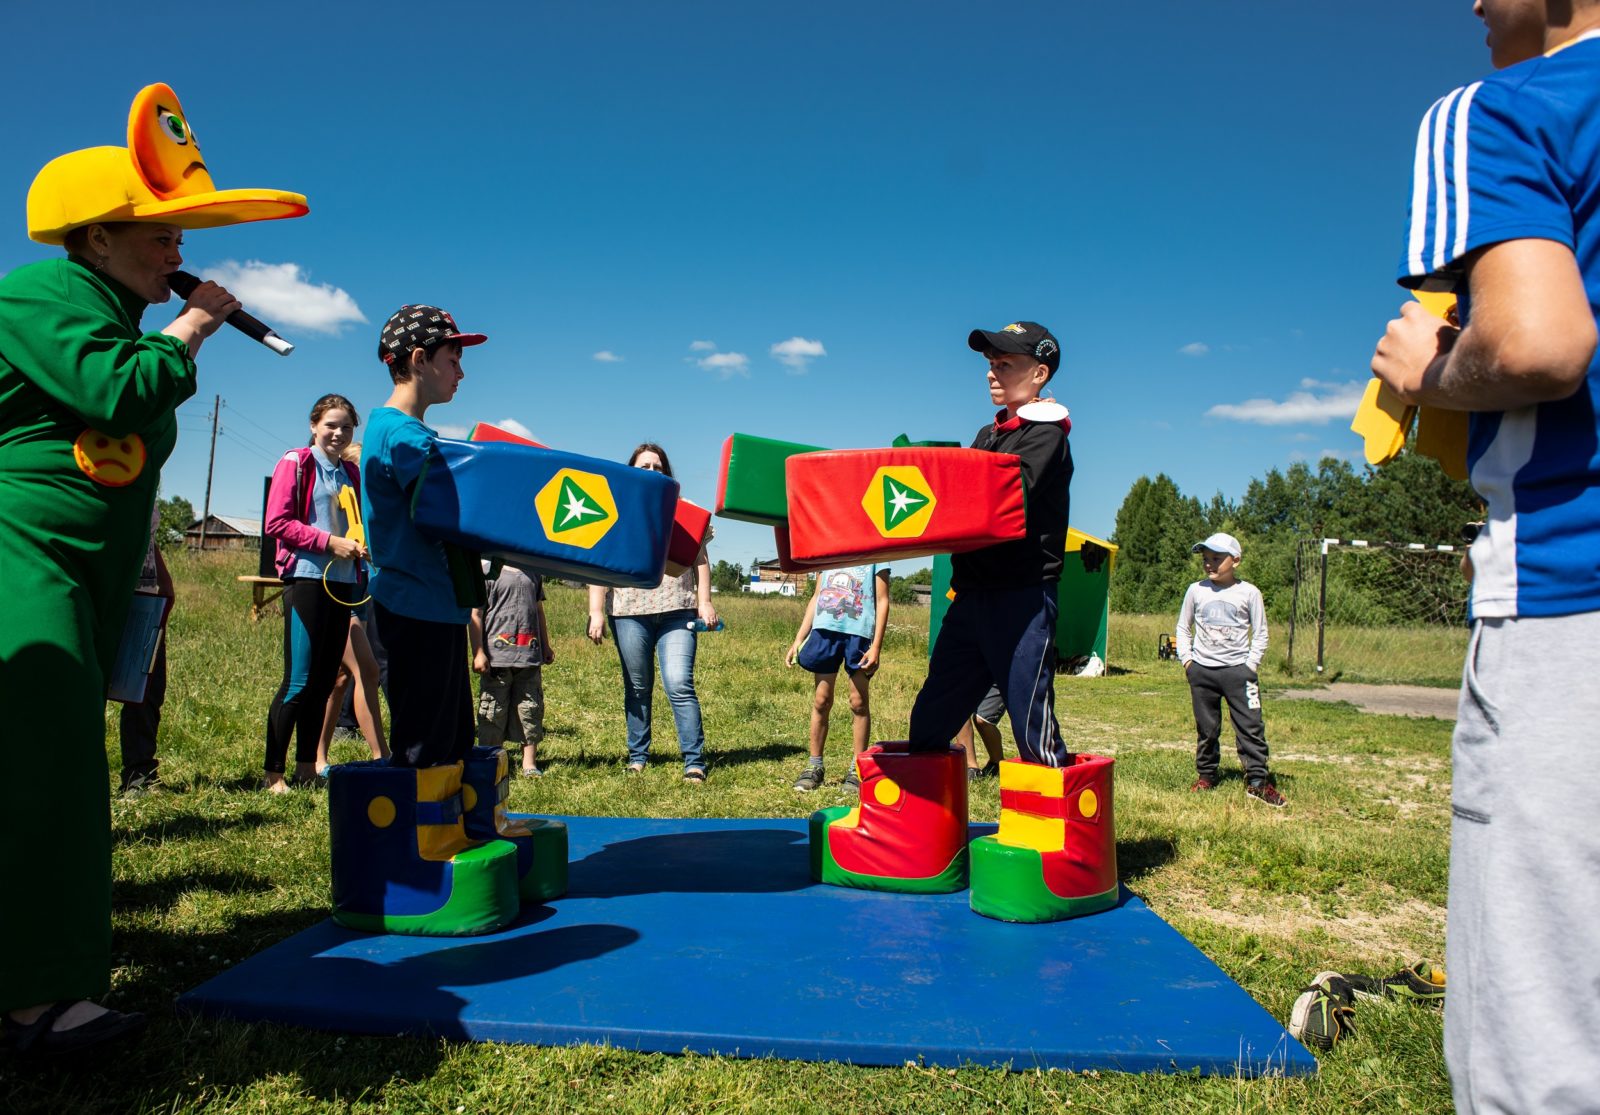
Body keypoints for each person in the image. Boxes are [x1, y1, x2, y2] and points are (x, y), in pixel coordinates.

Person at [1, 77, 305, 1051]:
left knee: (51, 768)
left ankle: (41, 972)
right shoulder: (43, 291)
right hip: (19, 559)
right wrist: (197, 324)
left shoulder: (107, 311)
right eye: (162, 237)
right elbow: (115, 393)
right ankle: (36, 999)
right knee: (42, 768)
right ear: (96, 236)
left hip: (79, 574)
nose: (181, 257)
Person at [1369, 4, 1600, 1109]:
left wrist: (1431, 371)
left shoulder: (1500, 109)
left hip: (1570, 592)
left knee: (1540, 1045)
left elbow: (1537, 343)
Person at [907, 322, 1073, 766]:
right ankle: (926, 827)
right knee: (930, 717)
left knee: (1029, 723)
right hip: (971, 598)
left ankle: (1056, 832)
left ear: (1039, 374)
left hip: (1021, 598)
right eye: (989, 364)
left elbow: (1001, 495)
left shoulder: (1047, 433)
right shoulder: (989, 434)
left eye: (1005, 364)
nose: (991, 373)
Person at [362, 305, 486, 770]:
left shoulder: (392, 429)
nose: (461, 373)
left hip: (431, 604)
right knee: (428, 747)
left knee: (451, 738)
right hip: (419, 607)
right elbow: (454, 518)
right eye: (453, 360)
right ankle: (425, 840)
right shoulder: (406, 438)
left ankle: (447, 832)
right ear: (418, 359)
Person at [586, 443, 716, 782]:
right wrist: (596, 611)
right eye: (644, 466)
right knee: (638, 686)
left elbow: (699, 560)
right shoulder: (613, 510)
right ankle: (638, 756)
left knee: (679, 684)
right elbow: (599, 563)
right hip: (628, 611)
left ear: (667, 473)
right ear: (631, 471)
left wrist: (705, 601)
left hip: (678, 610)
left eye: (658, 467)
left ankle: (694, 761)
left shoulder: (684, 511)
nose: (651, 472)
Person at [261, 395, 368, 792]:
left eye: (346, 428)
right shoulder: (297, 462)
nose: (339, 434)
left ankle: (307, 767)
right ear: (314, 425)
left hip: (342, 583)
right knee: (299, 681)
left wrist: (360, 545)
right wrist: (328, 543)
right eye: (331, 425)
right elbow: (278, 522)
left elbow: (358, 521)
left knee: (324, 682)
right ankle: (274, 773)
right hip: (305, 579)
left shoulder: (350, 473)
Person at [1174, 532, 1282, 806]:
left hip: (1238, 672)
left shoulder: (1249, 592)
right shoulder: (1196, 590)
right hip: (1203, 672)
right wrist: (1188, 662)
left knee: (1250, 726)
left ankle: (1257, 782)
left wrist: (1250, 665)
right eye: (1206, 558)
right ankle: (1207, 776)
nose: (1209, 564)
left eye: (1217, 558)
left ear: (1235, 560)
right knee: (1207, 729)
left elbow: (1261, 633)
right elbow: (1183, 628)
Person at [787, 564, 891, 792]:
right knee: (821, 701)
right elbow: (816, 596)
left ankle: (858, 769)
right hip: (825, 632)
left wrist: (876, 646)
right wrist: (798, 638)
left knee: (858, 702)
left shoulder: (877, 556)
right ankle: (814, 766)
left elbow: (882, 600)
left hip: (859, 635)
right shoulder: (829, 554)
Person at [471, 562, 553, 777]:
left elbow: (538, 610)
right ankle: (491, 761)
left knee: (530, 709)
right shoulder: (487, 571)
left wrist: (545, 644)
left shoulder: (533, 571)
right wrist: (478, 652)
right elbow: (476, 614)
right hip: (497, 658)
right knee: (493, 711)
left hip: (529, 656)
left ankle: (529, 763)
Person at [117, 504, 174, 795]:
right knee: (91, 687)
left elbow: (148, 535)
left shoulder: (142, 472)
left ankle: (139, 775)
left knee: (146, 687)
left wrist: (162, 577)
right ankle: (78, 774)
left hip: (145, 596)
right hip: (105, 592)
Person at [954, 685, 1006, 781]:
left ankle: (997, 763)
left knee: (983, 720)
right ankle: (971, 768)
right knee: (957, 708)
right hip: (970, 672)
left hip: (999, 675)